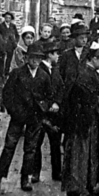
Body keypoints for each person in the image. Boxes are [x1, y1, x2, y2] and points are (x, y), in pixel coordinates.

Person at [0, 42, 52, 192]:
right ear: (26, 58)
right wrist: (14, 111)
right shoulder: (17, 73)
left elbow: (49, 96)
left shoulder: (44, 76)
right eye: (32, 58)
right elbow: (7, 94)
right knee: (9, 146)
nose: (35, 61)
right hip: (18, 116)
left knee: (30, 149)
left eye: (38, 58)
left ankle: (25, 178)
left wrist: (42, 109)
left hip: (34, 117)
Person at [61, 45, 99, 196]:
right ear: (93, 59)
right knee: (80, 157)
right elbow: (82, 99)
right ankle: (79, 190)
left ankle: (81, 189)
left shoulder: (90, 73)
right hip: (81, 123)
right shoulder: (84, 75)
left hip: (86, 121)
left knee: (85, 156)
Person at [32, 39, 64, 183]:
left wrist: (57, 102)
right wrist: (48, 105)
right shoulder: (39, 70)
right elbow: (37, 92)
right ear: (49, 55)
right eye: (56, 53)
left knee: (55, 143)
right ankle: (35, 173)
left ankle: (57, 172)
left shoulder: (56, 69)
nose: (57, 56)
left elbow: (61, 88)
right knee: (37, 143)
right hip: (41, 113)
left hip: (54, 113)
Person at [0, 11, 19, 76]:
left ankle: (6, 72)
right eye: (6, 17)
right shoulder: (0, 26)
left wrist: (15, 42)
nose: (8, 19)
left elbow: (17, 35)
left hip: (10, 45)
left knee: (9, 59)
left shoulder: (13, 26)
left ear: (11, 19)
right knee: (2, 59)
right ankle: (1, 72)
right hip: (3, 45)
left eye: (9, 18)